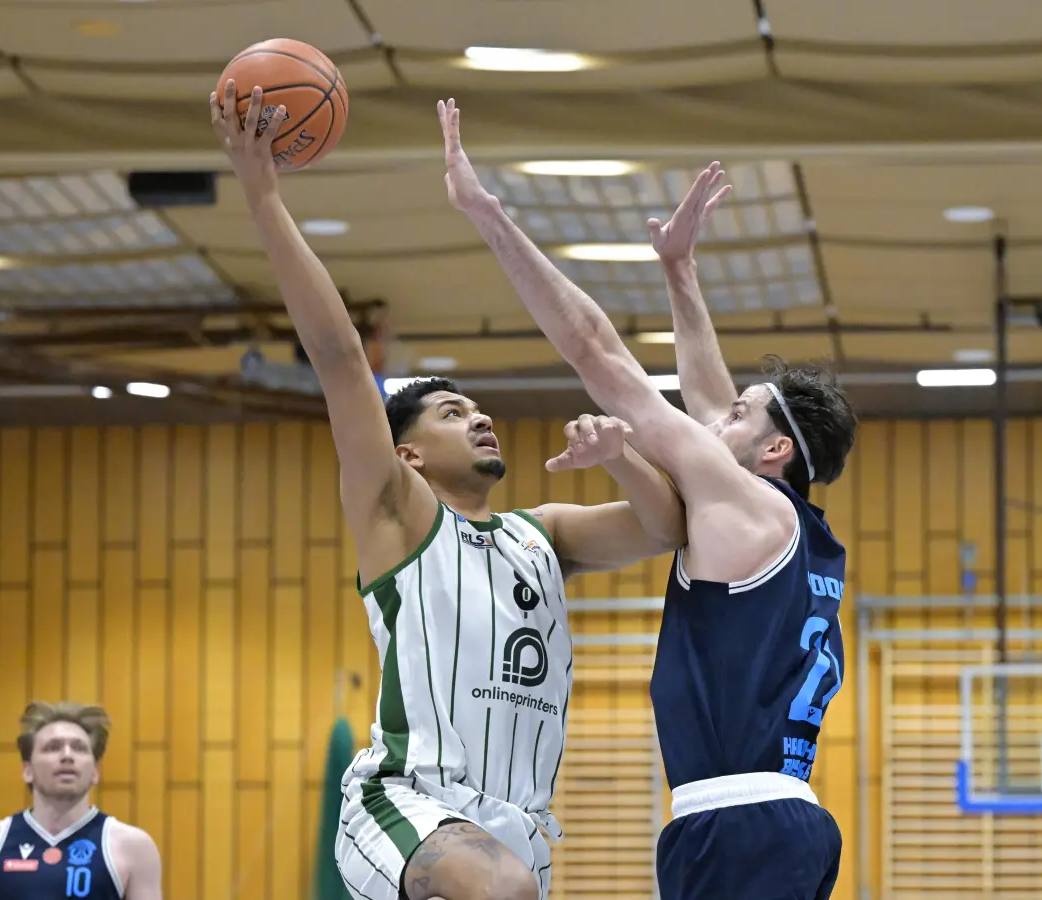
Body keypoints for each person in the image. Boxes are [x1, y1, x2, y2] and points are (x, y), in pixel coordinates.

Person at [209, 84, 689, 900]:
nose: (480, 418)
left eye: (480, 408)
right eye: (452, 412)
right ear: (408, 454)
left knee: (505, 881)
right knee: (496, 887)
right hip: (407, 803)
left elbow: (667, 525)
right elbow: (335, 355)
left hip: (520, 828)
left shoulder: (542, 533)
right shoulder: (397, 511)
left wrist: (618, 455)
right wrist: (262, 196)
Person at [436, 98, 858, 900]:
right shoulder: (790, 528)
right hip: (770, 819)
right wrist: (679, 271)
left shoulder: (750, 511)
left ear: (774, 451)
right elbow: (707, 407)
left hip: (737, 825)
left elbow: (596, 350)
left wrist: (488, 216)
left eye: (743, 412)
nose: (718, 411)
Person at [0, 701, 163, 900]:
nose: (67, 756)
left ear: (95, 771)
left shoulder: (132, 847)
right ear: (27, 770)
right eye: (52, 747)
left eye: (79, 748)